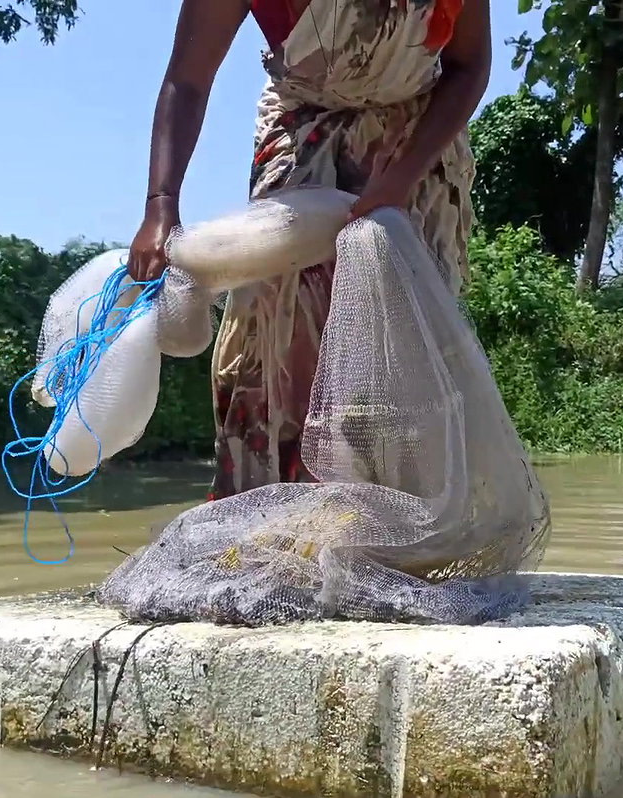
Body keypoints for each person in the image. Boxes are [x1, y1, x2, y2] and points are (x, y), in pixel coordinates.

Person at [127, 0, 491, 501]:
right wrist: (161, 204)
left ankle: (395, 537)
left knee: (401, 350)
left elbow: (469, 66)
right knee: (275, 341)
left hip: (415, 139)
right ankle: (276, 527)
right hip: (302, 134)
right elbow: (187, 79)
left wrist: (400, 178)